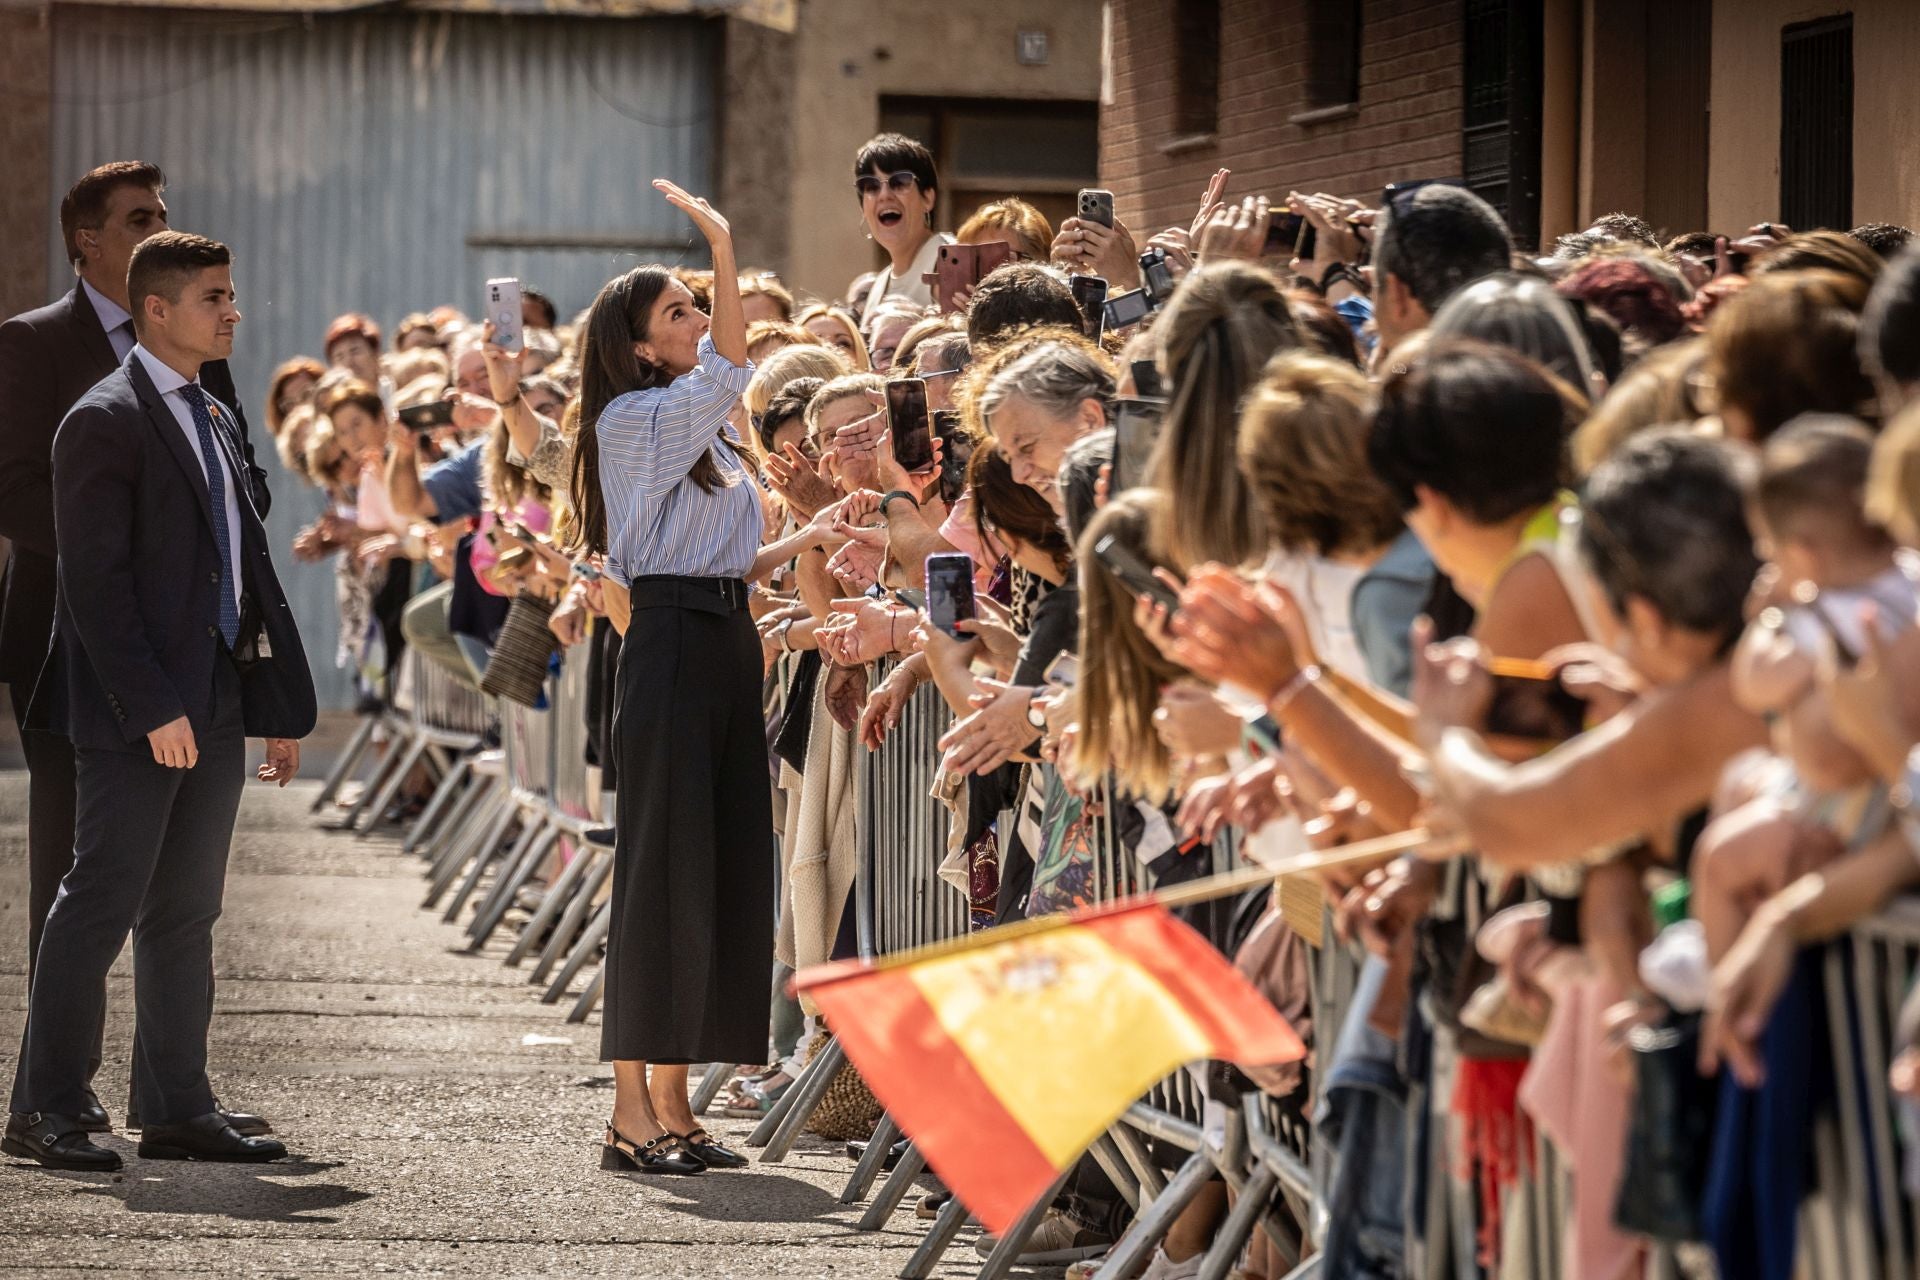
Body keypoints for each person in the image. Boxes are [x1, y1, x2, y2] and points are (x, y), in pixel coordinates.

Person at [5, 231, 314, 1172]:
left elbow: (243, 564)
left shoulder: (211, 410)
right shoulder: (102, 419)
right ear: (156, 310)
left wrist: (266, 701)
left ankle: (176, 1104)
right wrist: (151, 706)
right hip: (138, 708)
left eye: (231, 294)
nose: (233, 311)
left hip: (215, 695)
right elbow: (94, 588)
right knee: (99, 901)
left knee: (186, 912)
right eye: (215, 297)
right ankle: (44, 1106)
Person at [568, 180, 782, 1177]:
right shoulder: (634, 417)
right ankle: (627, 1110)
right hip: (671, 644)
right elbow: (736, 360)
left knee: (725, 870)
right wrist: (725, 243)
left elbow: (722, 553)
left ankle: (678, 1100)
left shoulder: (709, 432)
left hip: (726, 640)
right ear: (642, 343)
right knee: (662, 874)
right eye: (680, 309)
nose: (701, 318)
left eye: (701, 299)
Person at [852, 132, 954, 314]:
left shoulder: (952, 261)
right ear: (863, 210)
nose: (884, 195)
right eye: (871, 187)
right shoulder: (878, 287)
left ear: (928, 198)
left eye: (899, 183)